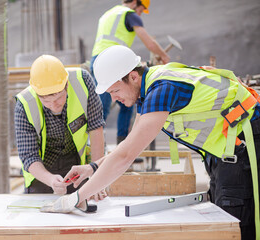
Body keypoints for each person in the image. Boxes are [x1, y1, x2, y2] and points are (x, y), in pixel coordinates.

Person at [41, 46, 260, 240]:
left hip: (246, 144)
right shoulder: (148, 90)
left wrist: (78, 197)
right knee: (223, 219)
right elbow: (130, 144)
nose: (115, 99)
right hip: (227, 149)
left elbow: (125, 157)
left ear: (133, 77)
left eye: (115, 90)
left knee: (235, 224)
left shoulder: (162, 89)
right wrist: (92, 168)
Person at [14, 55, 106, 197]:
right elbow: (29, 156)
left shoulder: (83, 82)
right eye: (46, 101)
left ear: (67, 85)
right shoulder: (24, 105)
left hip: (76, 166)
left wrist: (97, 176)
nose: (53, 105)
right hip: (41, 174)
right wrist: (50, 179)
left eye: (58, 98)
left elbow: (96, 128)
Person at [89, 0, 170, 144]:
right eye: (141, 9)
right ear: (135, 2)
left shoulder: (109, 13)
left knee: (125, 103)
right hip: (112, 62)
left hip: (97, 61)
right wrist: (164, 56)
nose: (140, 13)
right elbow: (149, 42)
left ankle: (123, 145)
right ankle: (98, 147)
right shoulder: (129, 15)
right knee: (105, 108)